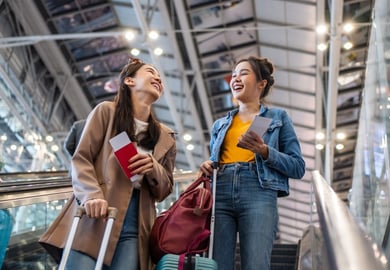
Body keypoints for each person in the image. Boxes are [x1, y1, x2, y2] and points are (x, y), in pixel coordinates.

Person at [39, 57, 176, 270]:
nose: (158, 78)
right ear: (129, 81)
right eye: (150, 72)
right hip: (96, 214)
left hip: (136, 224)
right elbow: (81, 158)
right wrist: (91, 196)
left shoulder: (165, 136)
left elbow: (165, 189)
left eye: (159, 76)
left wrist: (153, 167)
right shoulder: (106, 112)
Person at [198, 56, 306, 270]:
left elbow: (297, 167)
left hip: (259, 190)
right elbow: (215, 159)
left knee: (256, 263)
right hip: (220, 191)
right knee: (217, 265)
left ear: (261, 83)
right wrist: (208, 165)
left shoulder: (277, 117)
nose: (236, 78)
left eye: (244, 73)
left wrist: (264, 151)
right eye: (234, 74)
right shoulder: (220, 124)